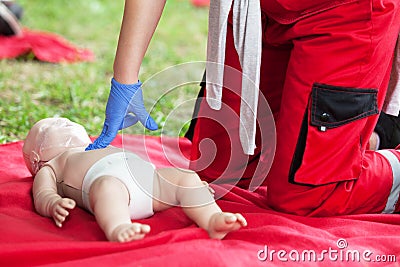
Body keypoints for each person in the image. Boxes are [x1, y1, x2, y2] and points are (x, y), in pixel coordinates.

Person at [89, 1, 400, 217]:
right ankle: (362, 139)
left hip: (344, 13)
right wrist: (125, 82)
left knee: (305, 194)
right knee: (221, 171)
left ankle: (384, 150)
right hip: (256, 13)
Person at [23, 117, 247, 242]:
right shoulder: (49, 166)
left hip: (149, 180)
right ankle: (118, 227)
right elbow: (42, 194)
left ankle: (212, 218)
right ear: (36, 157)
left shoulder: (94, 146)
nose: (62, 124)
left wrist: (193, 188)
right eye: (48, 127)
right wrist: (53, 204)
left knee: (184, 178)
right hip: (112, 186)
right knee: (106, 189)